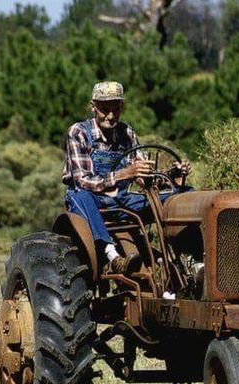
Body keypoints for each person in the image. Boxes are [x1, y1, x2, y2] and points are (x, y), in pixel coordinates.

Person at [62, 81, 191, 273]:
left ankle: (191, 257)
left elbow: (143, 174)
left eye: (116, 109)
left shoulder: (127, 133)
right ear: (93, 107)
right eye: (105, 109)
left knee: (183, 195)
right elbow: (83, 180)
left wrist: (172, 175)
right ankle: (111, 254)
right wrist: (125, 174)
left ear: (121, 107)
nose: (111, 116)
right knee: (78, 195)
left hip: (122, 201)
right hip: (92, 201)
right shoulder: (79, 133)